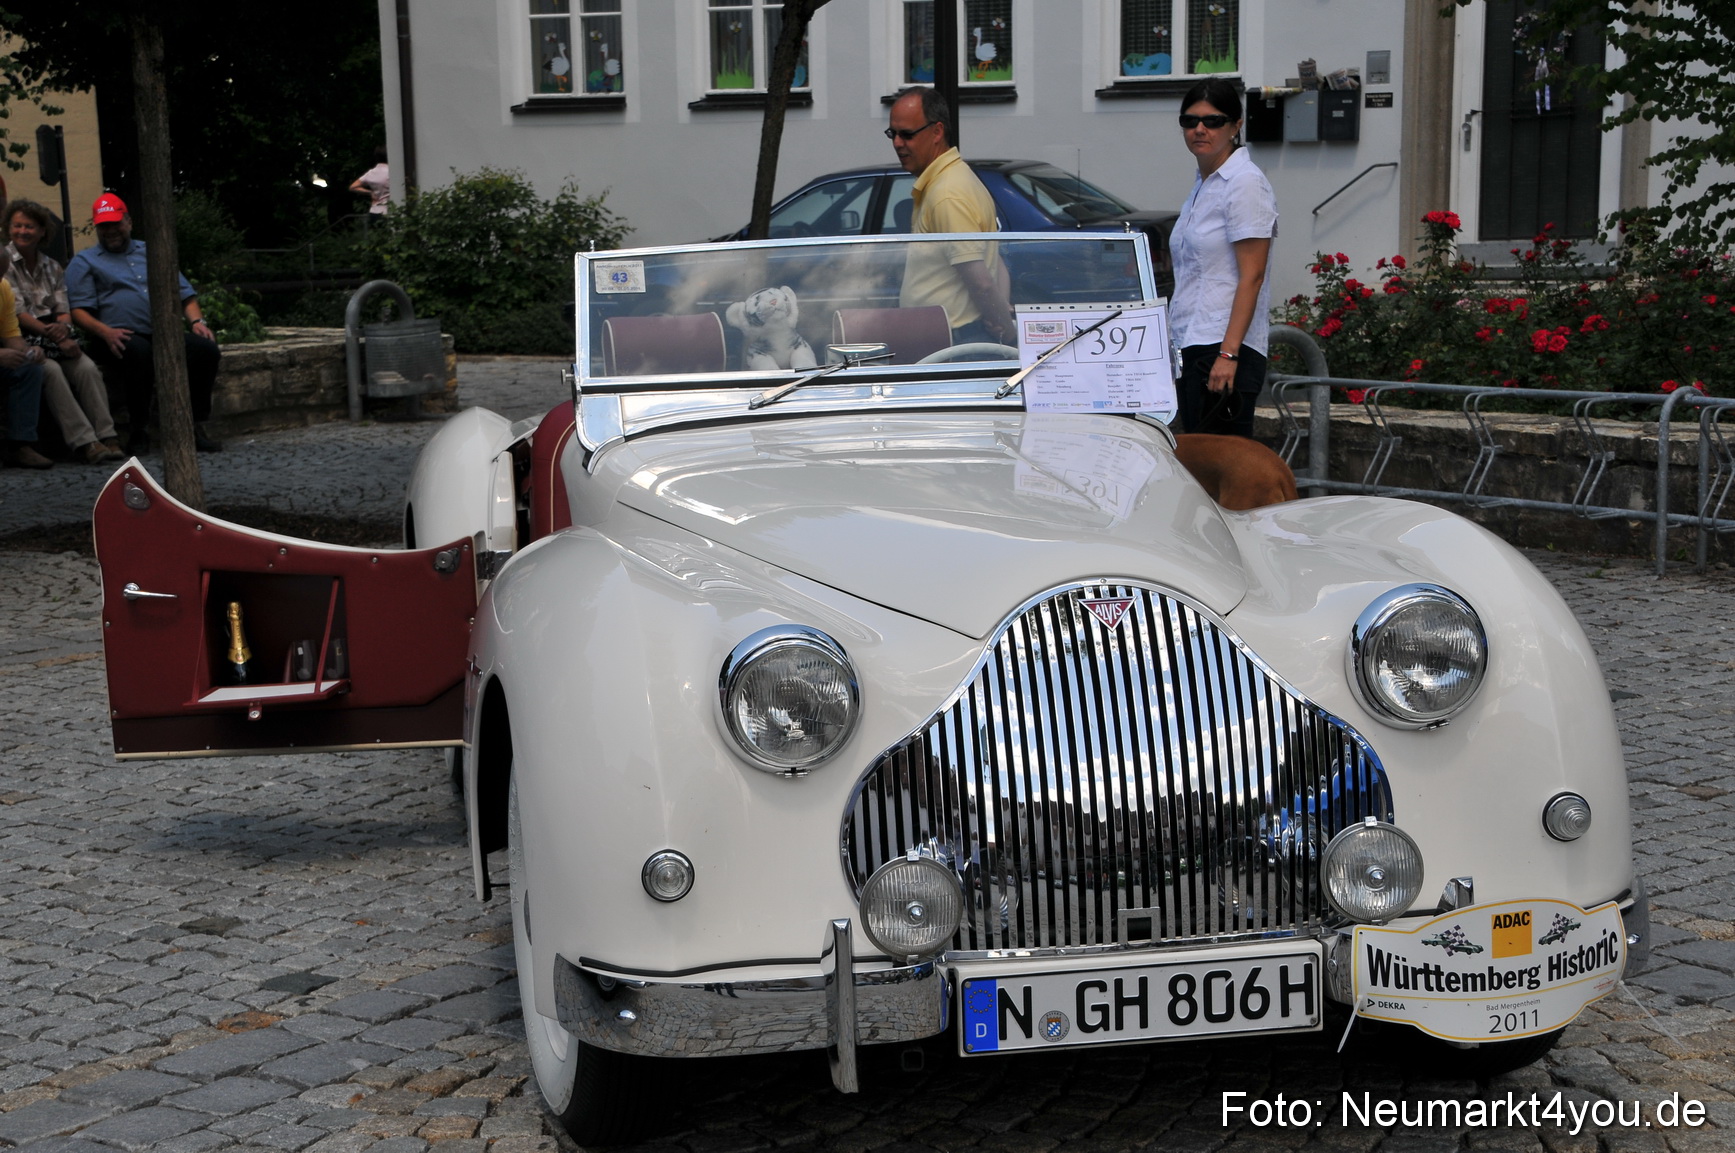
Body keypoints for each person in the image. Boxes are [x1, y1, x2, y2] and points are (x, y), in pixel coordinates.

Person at [66, 193, 222, 454]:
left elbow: (185, 294)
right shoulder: (84, 261)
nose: (110, 231)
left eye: (116, 223)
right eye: (104, 225)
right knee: (139, 353)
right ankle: (139, 429)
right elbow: (77, 310)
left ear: (128, 222)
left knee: (205, 350)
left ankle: (192, 426)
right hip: (113, 336)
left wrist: (197, 321)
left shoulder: (151, 252)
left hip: (161, 332)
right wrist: (105, 331)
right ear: (97, 227)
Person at [1169, 77, 1278, 438]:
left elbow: (1253, 275)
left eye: (1212, 121)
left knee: (1223, 480)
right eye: (1190, 121)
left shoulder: (1243, 182)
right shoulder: (1204, 183)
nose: (1200, 129)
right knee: (1197, 473)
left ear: (1236, 125)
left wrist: (1228, 356)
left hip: (1224, 349)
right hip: (1192, 345)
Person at [887, 87, 1014, 346]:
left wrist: (1007, 331)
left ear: (937, 132)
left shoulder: (947, 193)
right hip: (954, 334)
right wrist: (1002, 319)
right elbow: (995, 260)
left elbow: (981, 281)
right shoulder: (957, 178)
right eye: (893, 134)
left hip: (954, 339)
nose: (898, 143)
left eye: (907, 134)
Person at [4, 200, 124, 464]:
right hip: (25, 337)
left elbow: (63, 307)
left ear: (42, 232)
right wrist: (55, 335)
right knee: (51, 371)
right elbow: (17, 314)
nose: (23, 231)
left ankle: (108, 435)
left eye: (29, 226)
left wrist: (64, 329)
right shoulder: (5, 263)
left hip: (55, 333)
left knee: (87, 368)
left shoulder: (52, 266)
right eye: (17, 226)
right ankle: (85, 441)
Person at [0, 245, 49, 468]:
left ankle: (21, 445)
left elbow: (11, 334)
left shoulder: (3, 289)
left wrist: (28, 351)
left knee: (29, 368)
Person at [350, 148, 390, 216]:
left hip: (375, 211)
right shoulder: (392, 171)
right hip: (390, 210)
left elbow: (353, 187)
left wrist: (370, 192)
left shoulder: (371, 173)